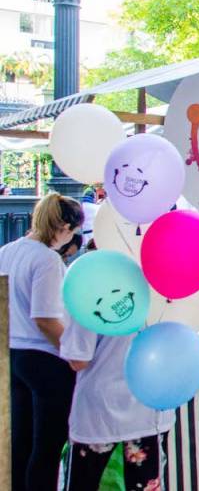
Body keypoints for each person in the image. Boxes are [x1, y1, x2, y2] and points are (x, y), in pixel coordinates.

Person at [0, 193, 83, 491]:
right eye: (72, 232)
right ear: (63, 226)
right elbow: (45, 319)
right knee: (46, 449)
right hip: (45, 361)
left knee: (20, 444)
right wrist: (74, 352)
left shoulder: (8, 251)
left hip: (15, 355)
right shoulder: (47, 260)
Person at [60, 315, 176, 491]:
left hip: (100, 410)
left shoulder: (93, 292)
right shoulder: (168, 293)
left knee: (83, 482)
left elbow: (78, 359)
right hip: (150, 404)